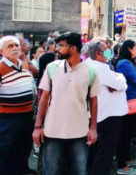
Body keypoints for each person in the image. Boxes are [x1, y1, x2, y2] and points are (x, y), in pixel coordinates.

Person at [33, 32, 100, 175]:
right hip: (52, 131)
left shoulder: (91, 71)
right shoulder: (52, 68)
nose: (57, 48)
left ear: (73, 48)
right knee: (51, 171)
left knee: (79, 171)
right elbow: (43, 98)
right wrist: (38, 127)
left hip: (79, 132)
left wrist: (93, 128)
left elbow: (94, 101)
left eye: (61, 45)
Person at [85, 41, 128, 175]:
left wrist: (116, 79)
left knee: (94, 150)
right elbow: (121, 85)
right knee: (105, 152)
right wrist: (120, 77)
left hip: (96, 114)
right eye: (106, 50)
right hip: (109, 115)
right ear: (98, 53)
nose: (109, 51)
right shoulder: (100, 68)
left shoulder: (88, 65)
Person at [0, 36, 36, 175]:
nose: (15, 48)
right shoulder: (1, 68)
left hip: (26, 116)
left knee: (24, 148)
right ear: (1, 51)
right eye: (10, 46)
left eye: (16, 45)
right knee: (7, 152)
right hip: (8, 119)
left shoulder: (23, 65)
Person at [115, 40, 136, 175]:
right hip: (128, 101)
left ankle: (127, 158)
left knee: (129, 133)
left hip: (135, 101)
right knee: (125, 133)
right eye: (135, 47)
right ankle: (121, 164)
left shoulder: (132, 62)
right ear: (129, 49)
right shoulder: (124, 63)